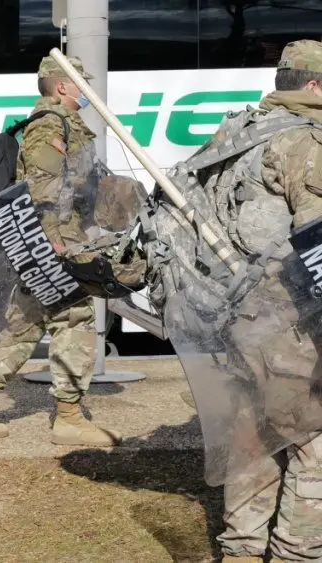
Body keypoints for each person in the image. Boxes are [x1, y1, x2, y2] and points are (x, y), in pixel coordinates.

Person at [0, 55, 123, 447]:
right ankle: (69, 418)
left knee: (25, 323)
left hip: (49, 241)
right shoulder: (49, 127)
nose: (87, 90)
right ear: (62, 86)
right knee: (76, 317)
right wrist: (58, 246)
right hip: (55, 242)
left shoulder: (62, 124)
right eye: (81, 83)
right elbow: (44, 191)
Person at [199, 39, 322, 563]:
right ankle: (298, 553)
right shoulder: (305, 144)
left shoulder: (234, 133)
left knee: (252, 442)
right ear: (315, 85)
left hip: (235, 321)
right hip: (291, 324)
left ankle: (243, 552)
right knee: (314, 443)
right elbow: (317, 238)